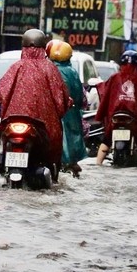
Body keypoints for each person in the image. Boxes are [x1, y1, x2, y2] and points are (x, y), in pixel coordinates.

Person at [0, 29, 70, 172]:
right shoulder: (50, 69)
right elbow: (59, 96)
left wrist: (1, 101)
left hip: (13, 120)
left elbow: (3, 91)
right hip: (41, 124)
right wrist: (63, 107)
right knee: (53, 146)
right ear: (43, 49)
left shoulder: (16, 67)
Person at [94, 50, 137, 167]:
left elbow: (105, 96)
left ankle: (98, 164)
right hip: (135, 119)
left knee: (107, 139)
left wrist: (99, 116)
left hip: (115, 117)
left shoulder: (114, 77)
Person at [48, 41, 86, 175]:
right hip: (70, 114)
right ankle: (70, 162)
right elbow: (79, 95)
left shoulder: (47, 69)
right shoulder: (72, 73)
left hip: (51, 113)